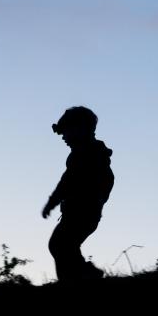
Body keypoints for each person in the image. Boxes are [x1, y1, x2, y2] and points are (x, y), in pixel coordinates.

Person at [42, 106, 114, 282]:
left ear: (80, 130)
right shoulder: (85, 155)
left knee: (61, 245)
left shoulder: (89, 155)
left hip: (83, 212)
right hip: (79, 212)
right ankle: (81, 276)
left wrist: (53, 202)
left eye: (66, 132)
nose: (64, 137)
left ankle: (82, 277)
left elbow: (67, 183)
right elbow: (67, 183)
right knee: (63, 246)